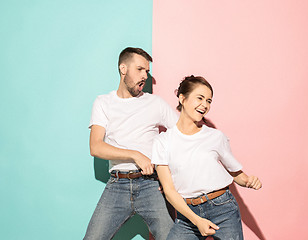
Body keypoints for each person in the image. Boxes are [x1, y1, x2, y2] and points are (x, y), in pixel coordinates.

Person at [151, 75, 262, 240]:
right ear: (182, 98)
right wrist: (196, 220)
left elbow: (235, 172)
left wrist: (248, 181)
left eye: (209, 101)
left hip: (223, 208)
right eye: (200, 98)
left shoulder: (216, 137)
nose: (205, 105)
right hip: (187, 215)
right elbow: (169, 191)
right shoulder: (163, 141)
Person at [84, 47, 178, 240]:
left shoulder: (155, 103)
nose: (145, 75)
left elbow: (182, 137)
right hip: (117, 186)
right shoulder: (103, 102)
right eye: (140, 69)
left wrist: (169, 175)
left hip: (150, 185)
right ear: (123, 68)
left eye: (147, 71)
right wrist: (135, 154)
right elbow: (96, 146)